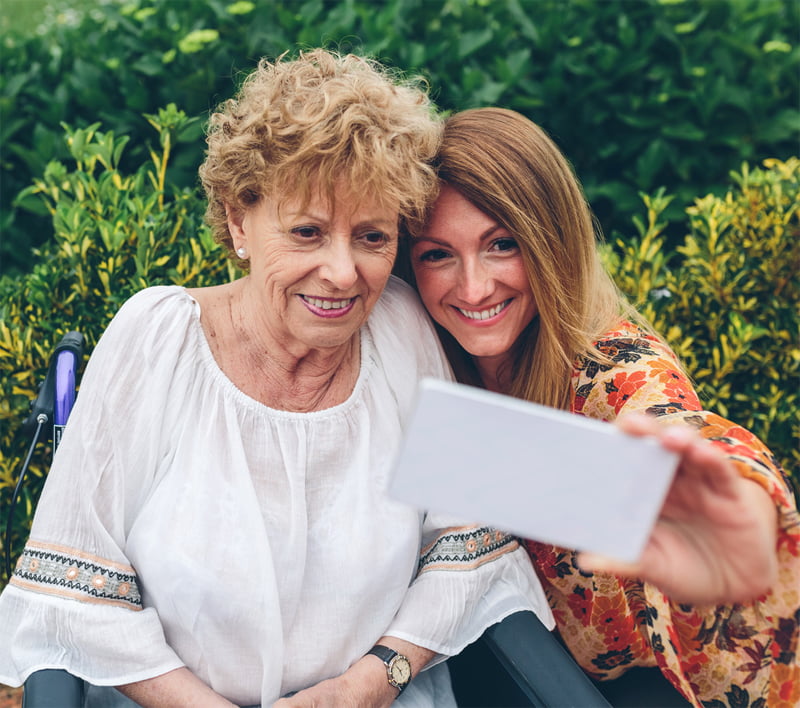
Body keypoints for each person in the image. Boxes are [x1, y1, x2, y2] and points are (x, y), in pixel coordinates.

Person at [0, 56, 553, 708]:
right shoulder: (158, 339)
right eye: (308, 232)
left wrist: (372, 681)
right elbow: (71, 591)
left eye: (371, 236)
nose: (343, 272)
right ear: (239, 221)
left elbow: (465, 548)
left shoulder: (401, 329)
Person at [402, 106, 800, 707]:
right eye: (438, 254)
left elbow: (676, 430)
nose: (474, 287)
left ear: (550, 243)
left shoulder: (609, 373)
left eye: (501, 245)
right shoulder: (419, 362)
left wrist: (739, 512)